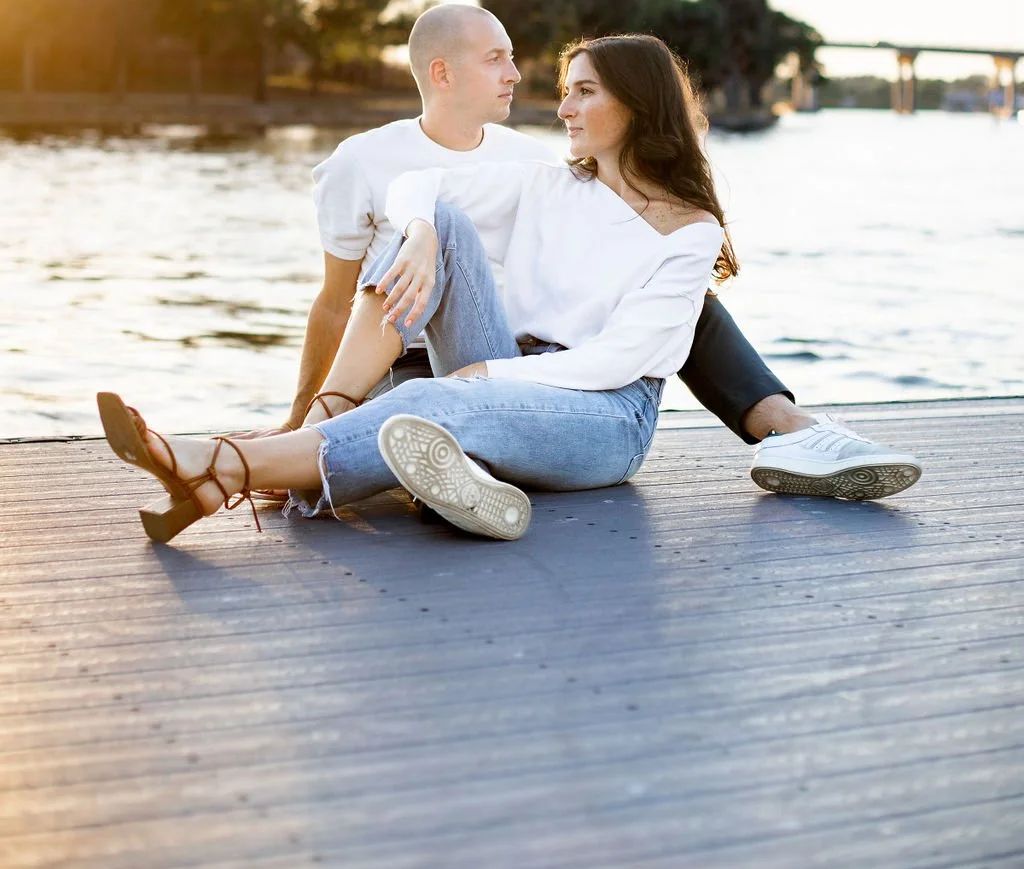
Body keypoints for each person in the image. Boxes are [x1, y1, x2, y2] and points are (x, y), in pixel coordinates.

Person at [97, 35, 922, 544]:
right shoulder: (544, 184)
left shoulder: (689, 229)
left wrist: (490, 378)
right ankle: (465, 477)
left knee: (442, 403)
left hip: (604, 416)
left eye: (583, 90)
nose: (562, 105)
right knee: (441, 228)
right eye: (564, 87)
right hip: (512, 374)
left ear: (637, 105)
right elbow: (418, 186)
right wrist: (422, 233)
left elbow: (625, 359)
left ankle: (223, 464)